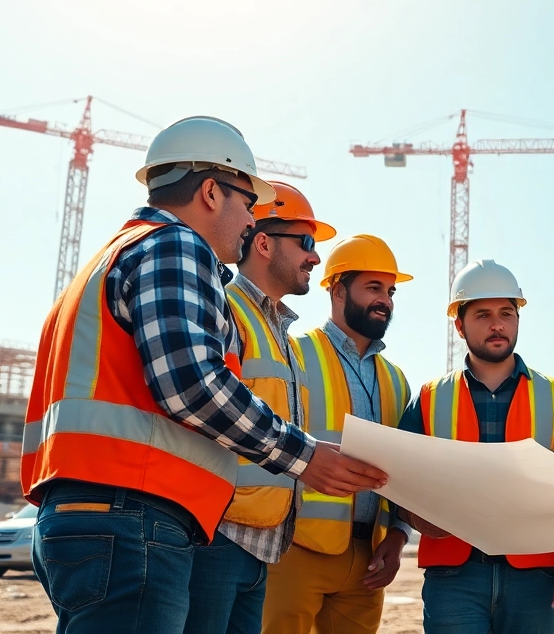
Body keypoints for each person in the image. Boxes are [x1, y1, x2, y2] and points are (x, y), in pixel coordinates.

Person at [23, 116, 386, 634]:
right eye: (247, 203)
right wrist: (305, 457)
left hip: (90, 512)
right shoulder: (175, 246)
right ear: (212, 192)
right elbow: (192, 385)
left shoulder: (108, 260)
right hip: (134, 517)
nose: (250, 220)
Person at [399, 259, 554, 634]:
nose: (497, 324)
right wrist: (414, 517)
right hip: (453, 576)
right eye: (483, 314)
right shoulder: (428, 398)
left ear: (518, 320)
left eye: (507, 312)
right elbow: (396, 482)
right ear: (459, 325)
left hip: (533, 576)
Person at [184, 181, 337, 634]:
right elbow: (207, 405)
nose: (315, 257)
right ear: (265, 244)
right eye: (305, 243)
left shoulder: (280, 332)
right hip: (217, 536)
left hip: (261, 542)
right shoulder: (227, 310)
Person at [262, 234, 416, 634]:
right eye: (373, 288)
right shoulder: (294, 353)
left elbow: (405, 472)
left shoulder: (397, 381)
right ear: (337, 290)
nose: (385, 299)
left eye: (390, 290)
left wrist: (398, 536)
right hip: (295, 549)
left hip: (369, 559)